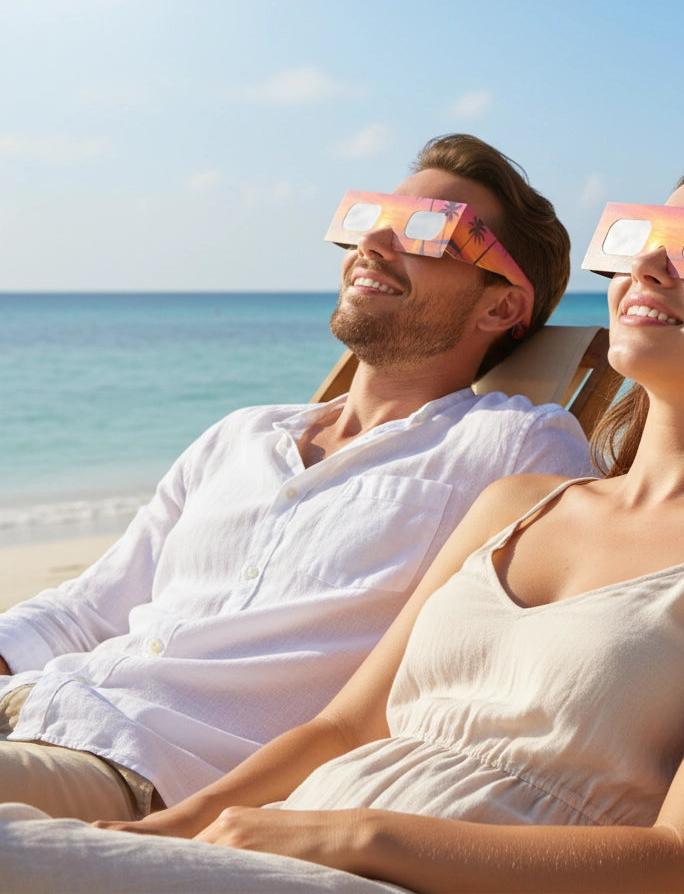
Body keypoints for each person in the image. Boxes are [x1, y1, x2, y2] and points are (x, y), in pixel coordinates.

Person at [0, 148, 684, 894]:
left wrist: (352, 840)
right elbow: (346, 729)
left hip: (381, 867)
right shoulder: (518, 506)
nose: (649, 268)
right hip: (279, 844)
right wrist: (185, 827)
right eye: (642, 239)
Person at [0, 133, 593, 824]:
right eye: (372, 219)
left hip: (145, 771)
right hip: (37, 704)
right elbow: (86, 611)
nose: (374, 242)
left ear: (499, 307)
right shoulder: (243, 434)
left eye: (426, 229)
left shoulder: (516, 447)